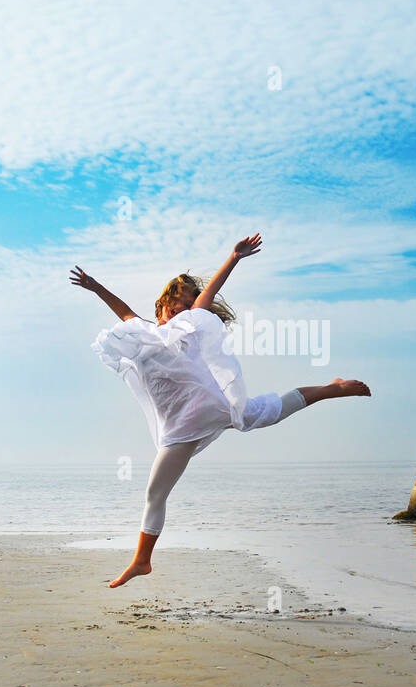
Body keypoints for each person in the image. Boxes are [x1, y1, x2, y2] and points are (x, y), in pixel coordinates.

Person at [71, 233, 371, 587]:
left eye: (186, 304)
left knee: (154, 493)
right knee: (265, 411)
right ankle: (331, 388)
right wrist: (95, 287)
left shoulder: (191, 325)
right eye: (175, 303)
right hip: (192, 417)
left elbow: (208, 293)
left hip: (197, 415)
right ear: (162, 304)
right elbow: (124, 311)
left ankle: (142, 561)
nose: (180, 309)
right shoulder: (147, 334)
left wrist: (233, 258)